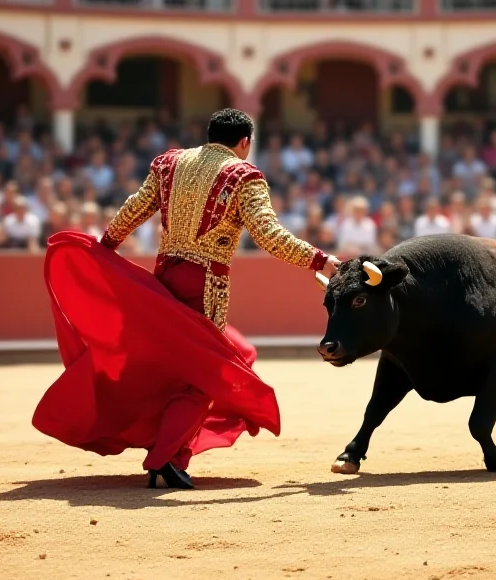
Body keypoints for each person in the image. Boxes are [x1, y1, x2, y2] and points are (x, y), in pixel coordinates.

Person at [34, 109, 340, 489]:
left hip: (164, 280)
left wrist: (104, 250)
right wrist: (320, 260)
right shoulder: (245, 175)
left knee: (173, 367)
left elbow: (132, 211)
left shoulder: (170, 164)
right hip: (205, 286)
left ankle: (172, 455)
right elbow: (269, 235)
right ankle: (163, 458)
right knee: (204, 372)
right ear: (244, 142)